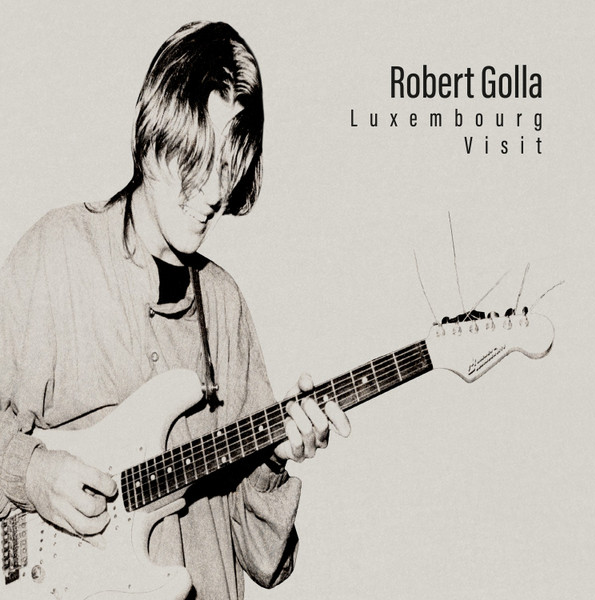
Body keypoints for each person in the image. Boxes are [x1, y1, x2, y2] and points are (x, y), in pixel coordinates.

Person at [0, 20, 350, 599]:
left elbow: (263, 563)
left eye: (228, 166)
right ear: (153, 137)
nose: (213, 192)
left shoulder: (225, 306)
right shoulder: (55, 255)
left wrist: (273, 463)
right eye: (198, 160)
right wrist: (31, 472)